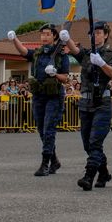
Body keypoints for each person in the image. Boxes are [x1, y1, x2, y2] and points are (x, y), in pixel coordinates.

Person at [62, 21, 112, 191]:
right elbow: (75, 50)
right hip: (85, 103)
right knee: (87, 144)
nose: (95, 36)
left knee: (95, 142)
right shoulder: (87, 54)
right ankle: (103, 172)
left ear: (105, 35)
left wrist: (101, 63)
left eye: (98, 33)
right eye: (93, 33)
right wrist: (66, 38)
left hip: (102, 103)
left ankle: (89, 176)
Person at [8, 23, 70, 177]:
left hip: (54, 95)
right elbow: (23, 52)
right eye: (42, 34)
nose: (44, 37)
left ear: (54, 36)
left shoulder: (62, 55)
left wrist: (55, 74)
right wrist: (14, 39)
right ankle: (54, 160)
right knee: (42, 129)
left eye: (48, 34)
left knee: (49, 128)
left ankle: (45, 163)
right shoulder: (37, 54)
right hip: (39, 95)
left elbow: (65, 78)